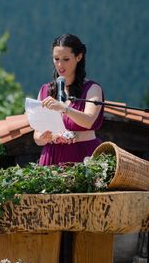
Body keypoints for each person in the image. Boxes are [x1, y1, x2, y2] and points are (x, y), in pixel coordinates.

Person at [33, 33, 105, 165]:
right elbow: (37, 135)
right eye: (56, 59)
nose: (60, 64)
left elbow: (88, 121)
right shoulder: (45, 90)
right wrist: (43, 138)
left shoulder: (92, 89)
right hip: (51, 156)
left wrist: (64, 108)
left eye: (66, 59)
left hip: (84, 155)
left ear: (79, 57)